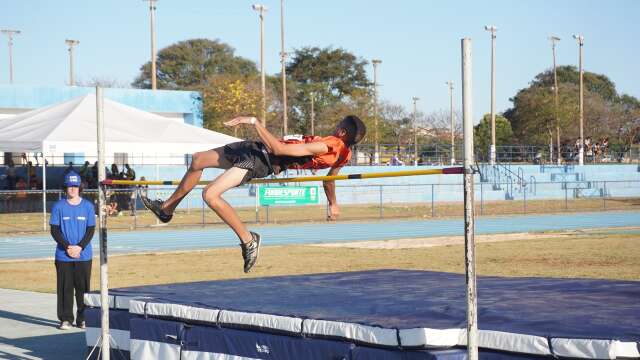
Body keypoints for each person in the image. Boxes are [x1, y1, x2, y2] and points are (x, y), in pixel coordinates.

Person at [141, 115, 366, 273]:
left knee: (210, 195)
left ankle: (249, 240)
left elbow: (279, 150)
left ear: (342, 132)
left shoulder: (327, 145)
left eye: (337, 125)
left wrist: (255, 122)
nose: (334, 128)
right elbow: (330, 179)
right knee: (199, 159)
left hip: (262, 159)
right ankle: (166, 209)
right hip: (254, 149)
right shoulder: (344, 155)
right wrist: (333, 203)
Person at [50, 171, 96, 330]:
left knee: (83, 289)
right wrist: (68, 247)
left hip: (84, 255)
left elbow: (91, 230)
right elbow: (55, 230)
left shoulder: (88, 206)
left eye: (75, 186)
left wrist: (80, 247)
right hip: (64, 255)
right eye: (69, 186)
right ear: (65, 188)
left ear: (80, 187)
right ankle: (65, 319)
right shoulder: (58, 206)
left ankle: (83, 319)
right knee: (65, 289)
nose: (72, 189)